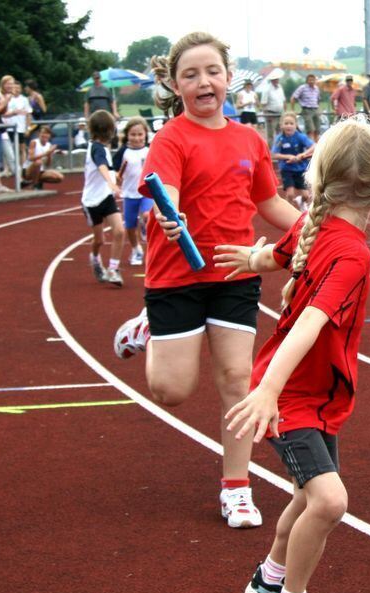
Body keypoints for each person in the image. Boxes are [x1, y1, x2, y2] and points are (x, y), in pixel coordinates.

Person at [212, 118, 370, 593]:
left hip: (315, 394)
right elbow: (309, 324)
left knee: (305, 496)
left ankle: (272, 581)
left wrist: (249, 259)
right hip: (290, 394)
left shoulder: (314, 229)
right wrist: (270, 390)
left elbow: (274, 257)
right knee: (329, 500)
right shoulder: (349, 255)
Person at [113, 32, 302, 529]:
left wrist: (313, 229)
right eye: (190, 75)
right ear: (176, 85)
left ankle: (236, 487)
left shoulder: (249, 140)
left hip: (237, 271)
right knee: (171, 390)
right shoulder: (172, 137)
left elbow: (269, 204)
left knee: (237, 380)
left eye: (211, 72)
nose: (203, 82)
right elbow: (165, 193)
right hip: (177, 275)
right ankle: (148, 328)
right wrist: (170, 216)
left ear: (228, 77)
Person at [82, 110, 127, 286]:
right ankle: (94, 258)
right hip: (91, 201)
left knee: (119, 231)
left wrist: (116, 177)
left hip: (106, 198)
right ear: (109, 130)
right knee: (99, 240)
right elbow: (101, 166)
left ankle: (113, 269)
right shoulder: (96, 148)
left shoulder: (104, 148)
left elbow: (107, 168)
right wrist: (111, 182)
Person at [115, 117, 151, 266]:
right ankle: (136, 249)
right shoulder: (123, 152)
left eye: (140, 134)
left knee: (146, 214)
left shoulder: (150, 150)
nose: (136, 138)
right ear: (127, 135)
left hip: (146, 192)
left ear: (145, 135)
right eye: (133, 134)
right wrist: (117, 178)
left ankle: (144, 224)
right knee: (130, 226)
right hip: (129, 194)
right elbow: (116, 171)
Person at [271, 112, 315, 209]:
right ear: (281, 125)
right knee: (290, 194)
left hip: (301, 169)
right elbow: (274, 154)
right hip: (287, 169)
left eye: (291, 123)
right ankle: (289, 210)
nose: (289, 126)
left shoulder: (300, 136)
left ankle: (301, 201)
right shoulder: (280, 139)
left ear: (296, 125)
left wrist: (303, 154)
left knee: (306, 196)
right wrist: (288, 156)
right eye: (286, 123)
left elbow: (314, 146)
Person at [23, 125, 64, 190]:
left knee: (59, 177)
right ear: (39, 134)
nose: (45, 135)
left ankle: (33, 181)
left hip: (41, 170)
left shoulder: (49, 145)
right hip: (29, 170)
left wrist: (49, 154)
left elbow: (48, 165)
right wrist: (46, 153)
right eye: (43, 133)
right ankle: (35, 184)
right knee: (38, 162)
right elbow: (31, 158)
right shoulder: (34, 142)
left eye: (47, 133)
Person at [290, 74, 321, 140]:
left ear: (315, 80)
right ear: (307, 81)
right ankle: (311, 146)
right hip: (307, 109)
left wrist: (318, 108)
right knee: (310, 129)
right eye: (310, 80)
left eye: (313, 80)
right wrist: (293, 110)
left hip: (315, 109)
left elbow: (318, 99)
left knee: (317, 129)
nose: (311, 81)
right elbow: (293, 98)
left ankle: (317, 145)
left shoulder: (316, 88)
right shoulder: (302, 88)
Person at [258, 71, 285, 144]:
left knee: (280, 132)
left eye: (277, 79)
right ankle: (270, 151)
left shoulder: (280, 87)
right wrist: (266, 114)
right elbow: (263, 103)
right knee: (270, 134)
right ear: (272, 80)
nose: (276, 80)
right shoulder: (267, 89)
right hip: (270, 113)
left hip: (279, 113)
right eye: (275, 79)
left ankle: (279, 148)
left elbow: (283, 100)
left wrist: (284, 112)